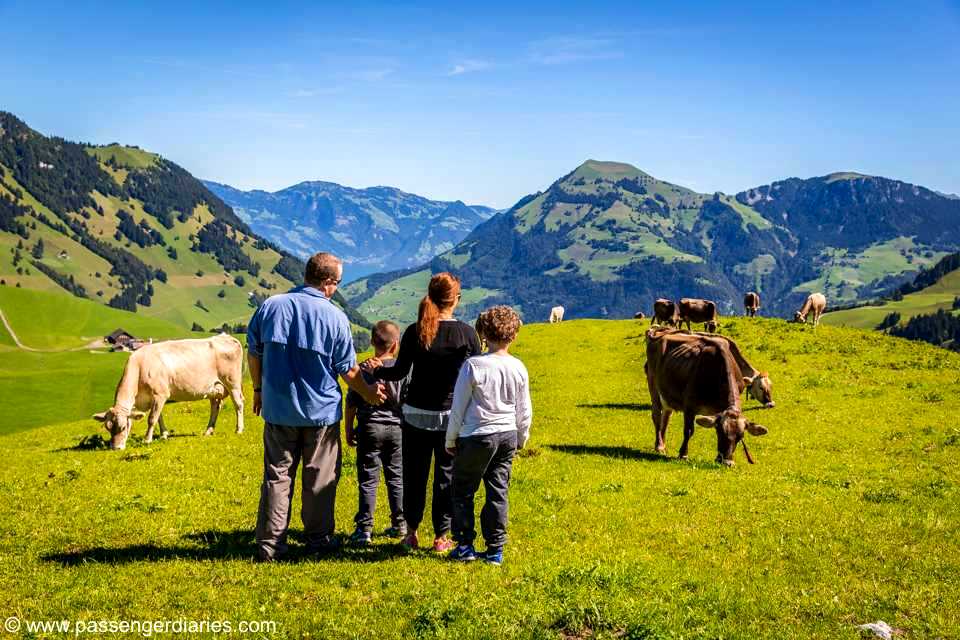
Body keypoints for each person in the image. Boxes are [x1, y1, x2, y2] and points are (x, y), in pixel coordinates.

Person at [247, 252, 385, 562]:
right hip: (320, 413)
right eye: (337, 282)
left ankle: (270, 546)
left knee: (277, 476)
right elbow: (348, 370)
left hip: (279, 409)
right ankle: (318, 541)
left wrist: (258, 389)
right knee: (319, 477)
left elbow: (254, 351)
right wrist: (369, 393)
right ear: (327, 283)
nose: (336, 288)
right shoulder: (334, 316)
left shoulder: (271, 306)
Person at [362, 272, 481, 552]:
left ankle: (411, 532)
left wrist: (376, 368)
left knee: (414, 475)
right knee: (445, 475)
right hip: (450, 416)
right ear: (456, 300)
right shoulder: (467, 334)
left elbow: (400, 371)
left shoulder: (416, 331)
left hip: (415, 414)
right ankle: (441, 536)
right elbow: (476, 374)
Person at [446, 305, 532, 566]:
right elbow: (524, 408)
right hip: (507, 434)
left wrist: (451, 439)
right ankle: (495, 549)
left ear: (482, 333)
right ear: (514, 335)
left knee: (462, 489)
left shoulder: (473, 366)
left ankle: (465, 545)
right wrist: (521, 437)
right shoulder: (518, 367)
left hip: (477, 434)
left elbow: (458, 406)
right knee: (498, 491)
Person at [345, 320, 407, 545]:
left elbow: (351, 402)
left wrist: (348, 428)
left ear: (372, 341)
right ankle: (400, 524)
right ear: (396, 345)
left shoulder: (362, 369)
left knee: (368, 478)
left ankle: (364, 529)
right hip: (396, 428)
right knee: (396, 477)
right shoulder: (402, 370)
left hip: (369, 427)